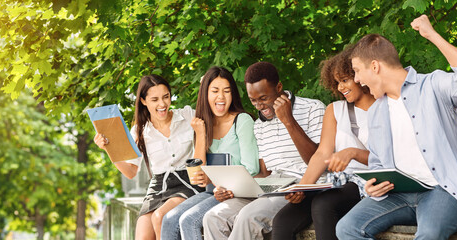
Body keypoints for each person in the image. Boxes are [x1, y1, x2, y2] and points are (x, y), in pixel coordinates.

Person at [336, 15, 457, 239]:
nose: (356, 80)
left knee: (429, 234)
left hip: (441, 191)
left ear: (374, 66)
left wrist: (432, 35)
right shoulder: (376, 111)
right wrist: (372, 187)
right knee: (346, 228)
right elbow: (377, 163)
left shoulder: (431, 86)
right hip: (398, 195)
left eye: (357, 71)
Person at [202, 61, 325, 240]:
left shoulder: (313, 109)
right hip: (275, 186)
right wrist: (231, 188)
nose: (259, 106)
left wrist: (288, 120)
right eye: (253, 100)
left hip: (306, 185)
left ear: (279, 87)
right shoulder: (259, 125)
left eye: (263, 98)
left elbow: (318, 160)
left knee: (247, 217)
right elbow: (266, 173)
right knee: (214, 217)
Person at [271, 46, 375, 240]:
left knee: (324, 204)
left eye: (345, 80)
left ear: (360, 76)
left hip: (367, 181)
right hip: (337, 182)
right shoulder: (335, 110)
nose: (340, 88)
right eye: (337, 82)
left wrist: (352, 153)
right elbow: (322, 154)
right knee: (283, 220)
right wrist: (302, 188)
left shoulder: (384, 107)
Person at [93, 75, 202, 240]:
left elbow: (210, 116)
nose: (162, 104)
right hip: (158, 186)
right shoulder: (139, 131)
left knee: (160, 217)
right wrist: (109, 149)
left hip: (186, 181)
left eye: (166, 97)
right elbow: (130, 172)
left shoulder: (187, 115)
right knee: (142, 235)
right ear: (144, 101)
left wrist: (206, 84)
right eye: (155, 99)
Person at [161, 66, 260, 240]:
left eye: (226, 91)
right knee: (169, 219)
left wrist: (214, 179)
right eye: (215, 91)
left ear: (233, 94)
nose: (221, 97)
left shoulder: (242, 121)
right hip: (210, 192)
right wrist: (200, 134)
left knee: (189, 220)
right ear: (206, 94)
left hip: (236, 193)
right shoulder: (203, 125)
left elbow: (251, 168)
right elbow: (198, 176)